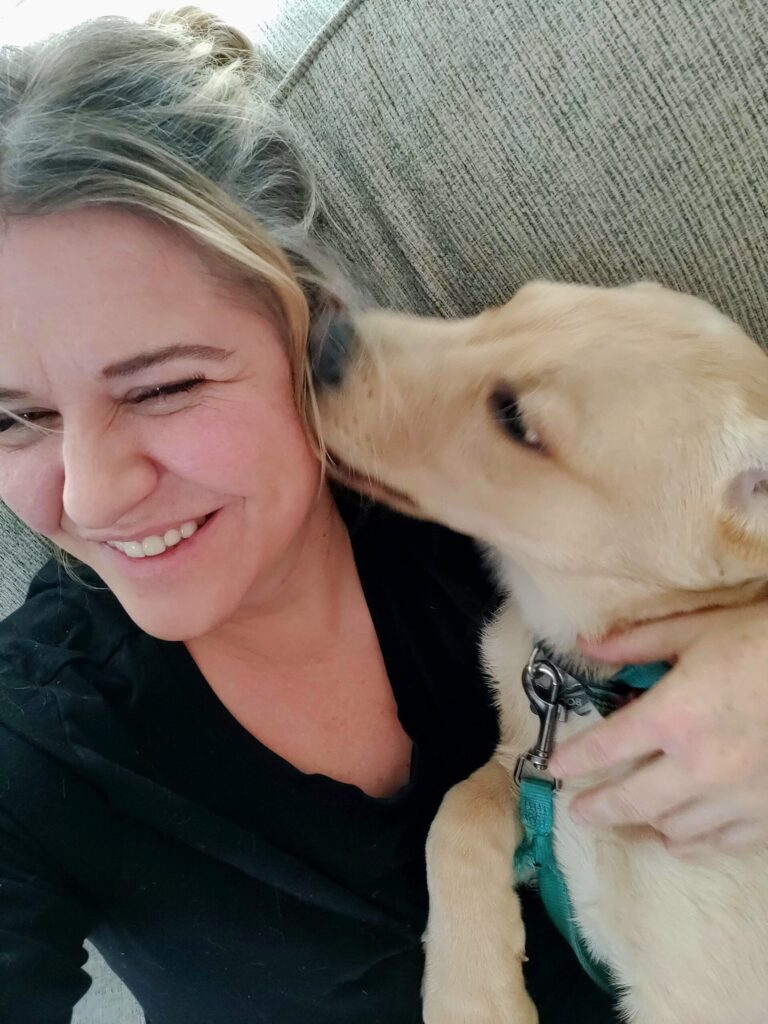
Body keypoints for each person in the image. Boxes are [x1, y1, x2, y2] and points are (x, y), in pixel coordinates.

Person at [1, 9, 768, 1024]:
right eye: (16, 417)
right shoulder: (38, 743)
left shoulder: (489, 489)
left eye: (163, 388)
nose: (90, 496)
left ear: (309, 327)